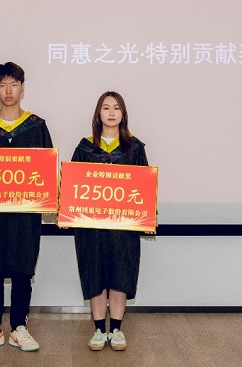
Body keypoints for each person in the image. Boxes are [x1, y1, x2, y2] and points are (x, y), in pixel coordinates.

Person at [0, 62, 53, 353]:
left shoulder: (37, 127)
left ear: (22, 88)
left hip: (25, 214)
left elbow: (47, 168)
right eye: (2, 85)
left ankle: (19, 328)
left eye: (13, 84)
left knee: (22, 268)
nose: (8, 90)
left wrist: (53, 198)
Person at [71, 91, 149, 352]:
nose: (112, 112)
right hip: (91, 228)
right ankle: (98, 330)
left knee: (120, 275)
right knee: (95, 275)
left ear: (123, 113)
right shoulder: (84, 148)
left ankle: (115, 329)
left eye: (117, 108)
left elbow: (144, 188)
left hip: (122, 229)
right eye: (106, 108)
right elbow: (73, 186)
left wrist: (148, 216)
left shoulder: (134, 148)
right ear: (98, 113)